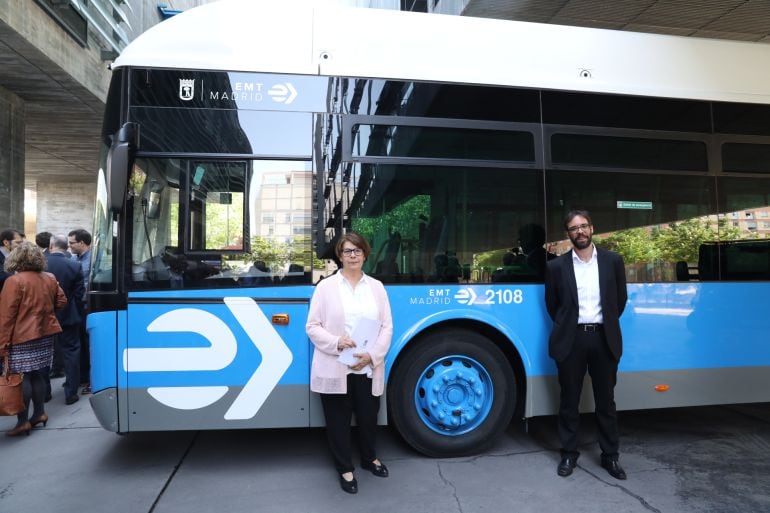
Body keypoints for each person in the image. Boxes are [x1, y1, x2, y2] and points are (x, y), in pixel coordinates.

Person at [306, 232, 393, 494]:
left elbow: (387, 326)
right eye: (347, 251)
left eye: (357, 251)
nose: (352, 256)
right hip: (336, 366)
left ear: (365, 254)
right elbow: (312, 326)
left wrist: (372, 356)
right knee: (337, 421)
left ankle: (369, 459)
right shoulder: (326, 287)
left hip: (367, 367)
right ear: (339, 256)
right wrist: (336, 342)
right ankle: (345, 468)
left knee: (368, 418)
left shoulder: (376, 287)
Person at [544, 210, 628, 480]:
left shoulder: (613, 261)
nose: (579, 231)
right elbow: (553, 306)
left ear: (592, 228)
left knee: (607, 402)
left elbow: (619, 301)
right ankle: (568, 455)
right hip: (572, 339)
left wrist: (604, 324)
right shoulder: (555, 267)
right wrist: (570, 326)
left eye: (583, 226)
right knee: (569, 401)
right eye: (573, 228)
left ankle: (610, 457)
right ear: (567, 234)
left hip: (604, 338)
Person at [0, 241, 66, 436]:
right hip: (44, 334)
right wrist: (44, 313)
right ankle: (39, 413)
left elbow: (6, 316)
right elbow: (62, 301)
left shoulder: (14, 281)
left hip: (20, 336)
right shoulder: (50, 277)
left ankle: (22, 421)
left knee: (22, 377)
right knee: (36, 373)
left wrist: (2, 343)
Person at [46, 234, 85, 405]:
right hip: (69, 316)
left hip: (45, 317)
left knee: (45, 354)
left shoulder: (41, 264)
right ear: (66, 247)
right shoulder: (74, 265)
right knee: (71, 352)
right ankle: (71, 391)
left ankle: (45, 393)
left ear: (51, 245)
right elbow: (79, 295)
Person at [68, 229, 91, 395]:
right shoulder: (73, 259)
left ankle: (91, 378)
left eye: (72, 243)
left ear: (82, 243)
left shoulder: (95, 259)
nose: (69, 246)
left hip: (88, 307)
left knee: (89, 343)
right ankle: (82, 376)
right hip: (76, 307)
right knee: (81, 344)